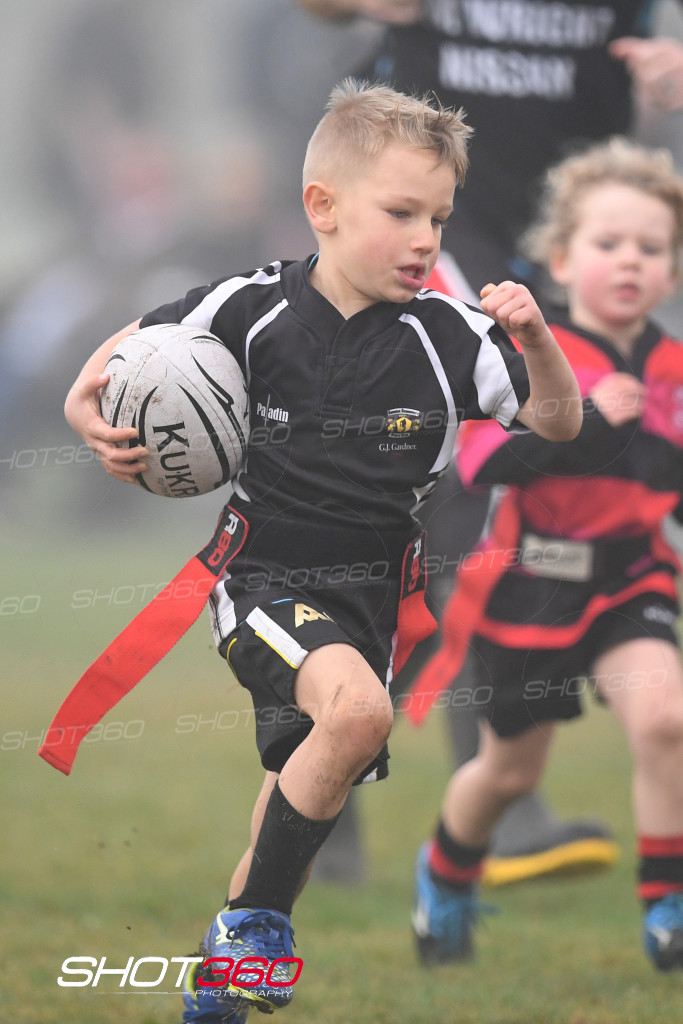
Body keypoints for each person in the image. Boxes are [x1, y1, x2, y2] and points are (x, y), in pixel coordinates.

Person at [61, 79, 581, 1022]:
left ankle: (220, 985)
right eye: (401, 213)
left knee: (295, 794)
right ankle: (255, 928)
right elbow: (127, 349)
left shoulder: (452, 337)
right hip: (260, 575)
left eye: (439, 218)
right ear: (323, 207)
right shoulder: (248, 306)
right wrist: (80, 409)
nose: (425, 239)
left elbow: (556, 422)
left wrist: (538, 341)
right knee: (356, 713)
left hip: (371, 600)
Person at [296, 0, 683, 886]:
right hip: (437, 233)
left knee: (464, 527)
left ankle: (356, 779)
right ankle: (482, 800)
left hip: (568, 244)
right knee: (473, 505)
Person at [410, 136, 683, 972]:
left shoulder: (673, 367)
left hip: (630, 577)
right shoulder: (531, 352)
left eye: (651, 248)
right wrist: (588, 421)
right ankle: (443, 876)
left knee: (665, 721)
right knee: (508, 774)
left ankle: (666, 909)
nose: (629, 261)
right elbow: (480, 464)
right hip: (530, 585)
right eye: (608, 243)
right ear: (560, 259)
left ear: (672, 270)